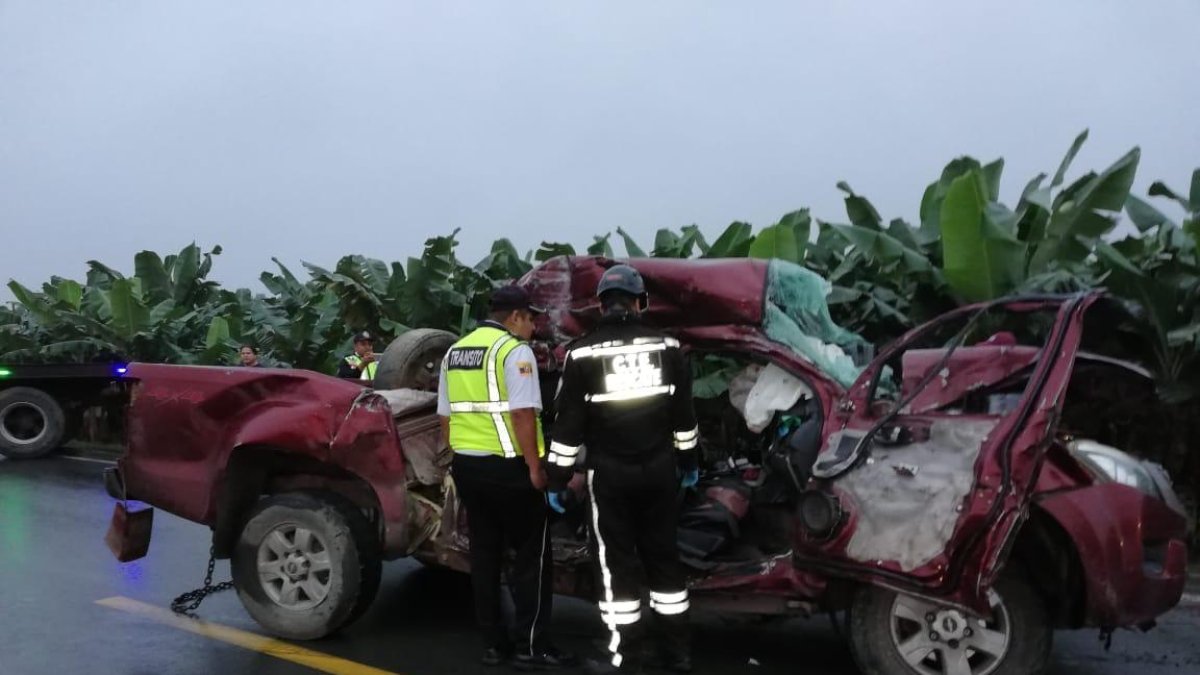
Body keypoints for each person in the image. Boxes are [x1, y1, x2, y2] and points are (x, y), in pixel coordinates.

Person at [547, 264, 699, 674]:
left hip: (610, 477)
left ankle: (625, 655)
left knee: (616, 566)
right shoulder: (668, 347)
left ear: (602, 304)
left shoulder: (583, 352)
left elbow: (568, 429)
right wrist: (688, 463)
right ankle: (677, 654)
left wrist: (557, 480)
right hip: (660, 473)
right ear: (638, 301)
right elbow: (684, 418)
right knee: (664, 560)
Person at [437, 285, 577, 670]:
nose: (533, 326)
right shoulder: (514, 352)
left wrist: (462, 457)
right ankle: (532, 645)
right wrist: (535, 468)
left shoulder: (454, 352)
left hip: (468, 467)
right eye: (531, 318)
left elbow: (445, 417)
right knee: (531, 558)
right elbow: (521, 415)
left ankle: (493, 645)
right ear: (514, 316)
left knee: (485, 555)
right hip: (511, 470)